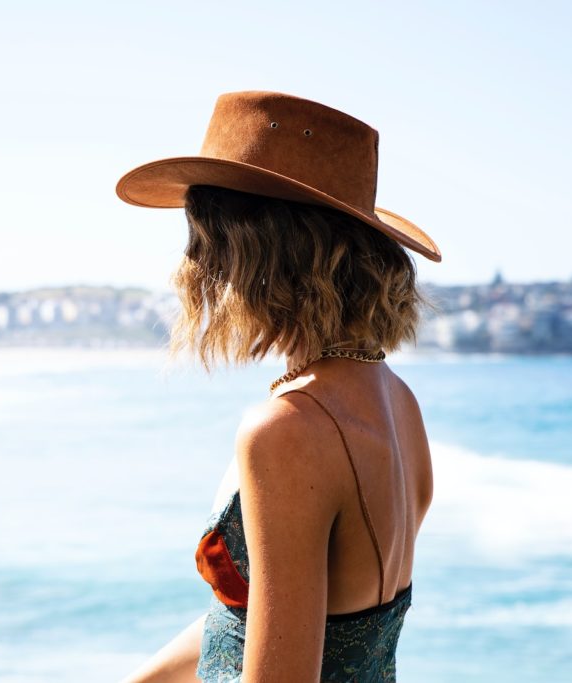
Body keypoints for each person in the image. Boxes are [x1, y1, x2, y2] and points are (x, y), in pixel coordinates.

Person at [115, 91, 441, 683]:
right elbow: (261, 622)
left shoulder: (289, 428)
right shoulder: (397, 400)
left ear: (252, 252)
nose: (194, 265)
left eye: (205, 236)